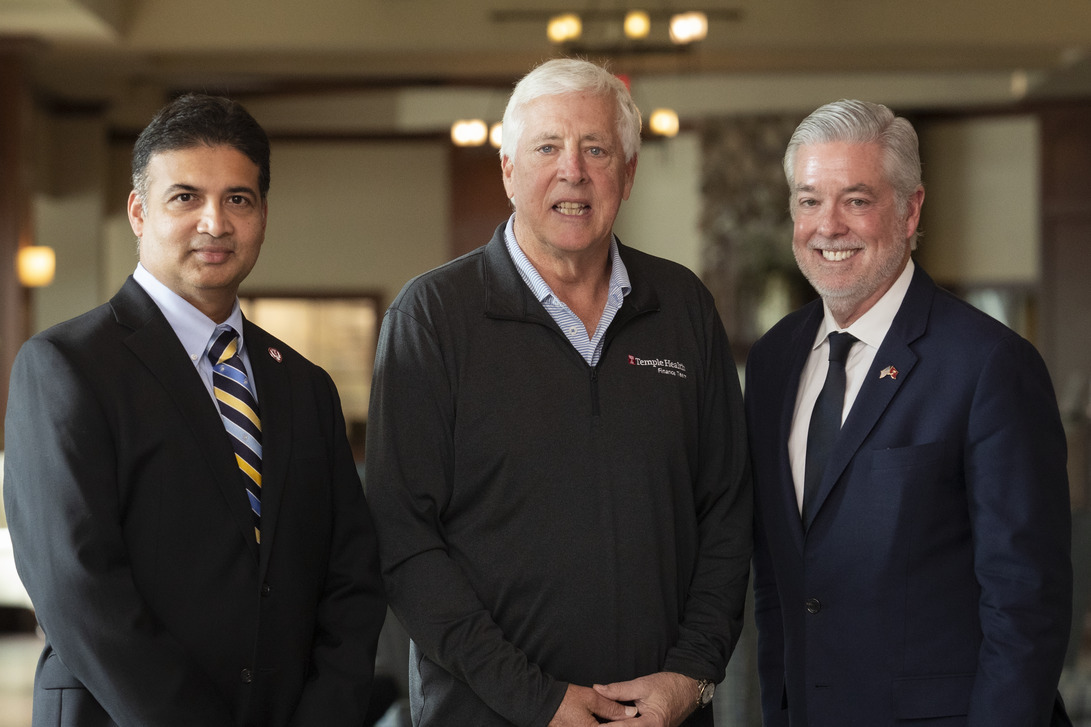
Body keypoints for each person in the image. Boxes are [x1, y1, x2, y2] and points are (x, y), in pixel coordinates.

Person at [363, 58, 752, 727]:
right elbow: (403, 542)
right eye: (546, 147)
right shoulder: (432, 317)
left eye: (595, 148)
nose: (572, 170)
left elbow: (726, 509)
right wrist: (535, 698)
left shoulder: (682, 306)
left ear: (627, 174)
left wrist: (691, 673)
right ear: (508, 170)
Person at [3, 94, 386, 727]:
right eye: (185, 197)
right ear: (137, 210)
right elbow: (79, 588)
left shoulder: (305, 386)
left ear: (263, 214)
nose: (215, 222)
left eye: (239, 198)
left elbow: (350, 574)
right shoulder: (66, 367)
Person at [746, 99, 1073, 725]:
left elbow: (1026, 605)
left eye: (857, 200)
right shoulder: (772, 362)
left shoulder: (989, 364)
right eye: (809, 200)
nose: (828, 225)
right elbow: (778, 585)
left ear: (910, 209)